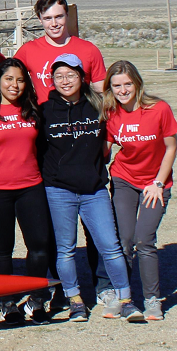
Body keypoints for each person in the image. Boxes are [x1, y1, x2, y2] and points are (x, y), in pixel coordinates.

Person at [38, 54, 141, 322]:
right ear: (52, 80)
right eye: (59, 76)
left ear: (82, 77)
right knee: (66, 249)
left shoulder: (98, 106)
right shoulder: (44, 110)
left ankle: (126, 299)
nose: (65, 81)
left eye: (71, 75)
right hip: (59, 190)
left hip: (94, 189)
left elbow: (121, 131)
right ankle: (75, 301)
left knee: (111, 246)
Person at [104, 61, 177, 321]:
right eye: (117, 86)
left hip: (154, 184)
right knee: (124, 240)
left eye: (127, 84)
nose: (123, 90)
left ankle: (152, 300)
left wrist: (158, 183)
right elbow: (105, 150)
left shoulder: (159, 109)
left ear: (137, 83)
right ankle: (122, 296)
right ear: (109, 89)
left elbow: (170, 147)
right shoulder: (111, 113)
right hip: (124, 179)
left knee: (144, 239)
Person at [0, 58, 53, 324]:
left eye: (20, 80)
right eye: (9, 79)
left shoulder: (32, 109)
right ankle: (7, 301)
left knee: (39, 246)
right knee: (1, 249)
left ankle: (35, 300)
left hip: (30, 186)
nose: (15, 85)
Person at [16, 0, 107, 101]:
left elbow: (101, 92)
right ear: (40, 19)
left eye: (59, 17)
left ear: (67, 15)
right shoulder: (28, 51)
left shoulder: (89, 50)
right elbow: (8, 79)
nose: (54, 23)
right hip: (45, 116)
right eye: (47, 18)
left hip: (80, 116)